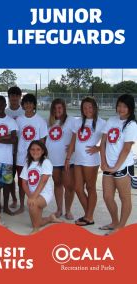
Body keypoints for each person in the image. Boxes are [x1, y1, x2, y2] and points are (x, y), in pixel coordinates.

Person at [65, 97, 106, 226]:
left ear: (95, 108)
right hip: (78, 160)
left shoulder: (102, 123)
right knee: (78, 188)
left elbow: (108, 142)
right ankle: (89, 215)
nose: (87, 110)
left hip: (91, 161)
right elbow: (73, 142)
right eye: (85, 107)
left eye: (90, 107)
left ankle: (88, 217)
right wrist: (68, 158)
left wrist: (98, 148)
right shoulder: (77, 122)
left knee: (90, 187)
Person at [100, 94, 137, 234]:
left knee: (124, 197)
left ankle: (121, 227)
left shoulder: (132, 125)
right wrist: (103, 161)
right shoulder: (111, 120)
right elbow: (103, 142)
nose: (121, 109)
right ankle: (114, 222)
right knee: (107, 197)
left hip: (122, 167)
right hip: (108, 165)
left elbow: (127, 148)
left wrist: (116, 167)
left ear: (130, 108)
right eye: (119, 105)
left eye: (125, 106)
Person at [20, 140, 62, 234]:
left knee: (32, 204)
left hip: (44, 193)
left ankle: (36, 230)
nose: (35, 152)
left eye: (38, 149)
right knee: (37, 222)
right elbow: (24, 183)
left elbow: (43, 181)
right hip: (33, 194)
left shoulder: (46, 162)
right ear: (29, 151)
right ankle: (50, 218)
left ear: (43, 151)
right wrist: (31, 196)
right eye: (32, 149)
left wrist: (33, 197)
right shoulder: (27, 164)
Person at [15, 94, 47, 214]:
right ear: (22, 105)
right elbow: (16, 138)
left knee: (36, 181)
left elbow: (43, 140)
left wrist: (40, 157)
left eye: (30, 103)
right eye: (26, 103)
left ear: (34, 105)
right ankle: (22, 205)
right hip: (21, 156)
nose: (28, 105)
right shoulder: (19, 120)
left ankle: (36, 203)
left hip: (35, 157)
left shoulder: (40, 121)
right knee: (22, 181)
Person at [46, 98, 75, 220]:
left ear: (64, 108)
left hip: (67, 160)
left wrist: (73, 148)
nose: (57, 110)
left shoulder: (71, 120)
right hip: (53, 160)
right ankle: (59, 209)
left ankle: (68, 210)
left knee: (69, 186)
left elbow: (77, 136)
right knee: (57, 184)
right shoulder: (49, 122)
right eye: (55, 108)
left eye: (60, 108)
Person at [5, 86, 24, 208]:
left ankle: (22, 202)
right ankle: (14, 199)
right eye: (12, 95)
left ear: (20, 97)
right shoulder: (5, 112)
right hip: (7, 152)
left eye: (16, 95)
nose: (14, 98)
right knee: (9, 178)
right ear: (9, 97)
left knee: (22, 179)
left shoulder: (24, 111)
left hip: (22, 151)